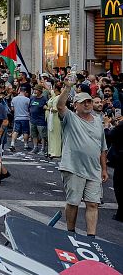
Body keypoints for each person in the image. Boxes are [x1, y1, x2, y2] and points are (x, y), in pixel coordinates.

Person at [56, 82, 108, 237]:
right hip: (73, 167)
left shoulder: (98, 120)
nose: (87, 104)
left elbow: (102, 147)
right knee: (73, 202)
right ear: (75, 105)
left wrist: (104, 169)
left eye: (89, 101)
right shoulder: (70, 118)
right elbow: (60, 106)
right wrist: (67, 87)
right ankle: (70, 233)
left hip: (94, 169)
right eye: (83, 102)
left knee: (93, 203)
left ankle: (91, 237)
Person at [29, 83, 49, 155]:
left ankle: (43, 149)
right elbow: (30, 106)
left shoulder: (44, 99)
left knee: (43, 135)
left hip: (41, 120)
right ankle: (35, 147)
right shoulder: (32, 98)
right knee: (34, 134)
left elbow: (47, 107)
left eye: (36, 90)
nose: (34, 91)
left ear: (40, 91)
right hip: (33, 119)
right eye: (34, 90)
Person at [9, 87, 31, 152]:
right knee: (25, 131)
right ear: (25, 92)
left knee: (16, 131)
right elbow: (29, 109)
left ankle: (12, 144)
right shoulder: (27, 99)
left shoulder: (14, 99)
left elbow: (12, 109)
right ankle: (25, 144)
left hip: (17, 117)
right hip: (25, 117)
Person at [46, 81, 64, 158]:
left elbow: (56, 109)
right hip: (51, 117)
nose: (52, 89)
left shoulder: (57, 98)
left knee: (56, 135)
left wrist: (47, 108)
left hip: (56, 117)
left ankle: (56, 152)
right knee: (50, 134)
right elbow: (48, 89)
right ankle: (51, 150)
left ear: (56, 89)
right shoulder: (53, 96)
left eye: (53, 88)